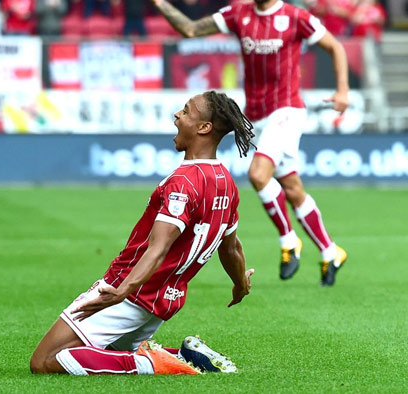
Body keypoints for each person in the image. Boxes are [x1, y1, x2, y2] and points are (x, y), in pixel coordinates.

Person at [29, 91, 256, 375]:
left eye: (185, 112)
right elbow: (231, 247)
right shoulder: (226, 183)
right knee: (109, 353)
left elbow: (157, 248)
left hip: (130, 292)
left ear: (204, 128)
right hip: (164, 300)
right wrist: (240, 284)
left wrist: (122, 291)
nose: (177, 115)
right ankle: (184, 355)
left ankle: (152, 363)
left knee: (45, 361)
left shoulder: (183, 182)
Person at [150, 0, 349, 286]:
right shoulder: (237, 13)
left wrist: (342, 90)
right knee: (292, 188)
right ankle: (331, 251)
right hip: (257, 115)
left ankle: (289, 241)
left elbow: (336, 46)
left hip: (287, 109)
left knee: (258, 174)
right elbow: (191, 30)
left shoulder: (295, 17)